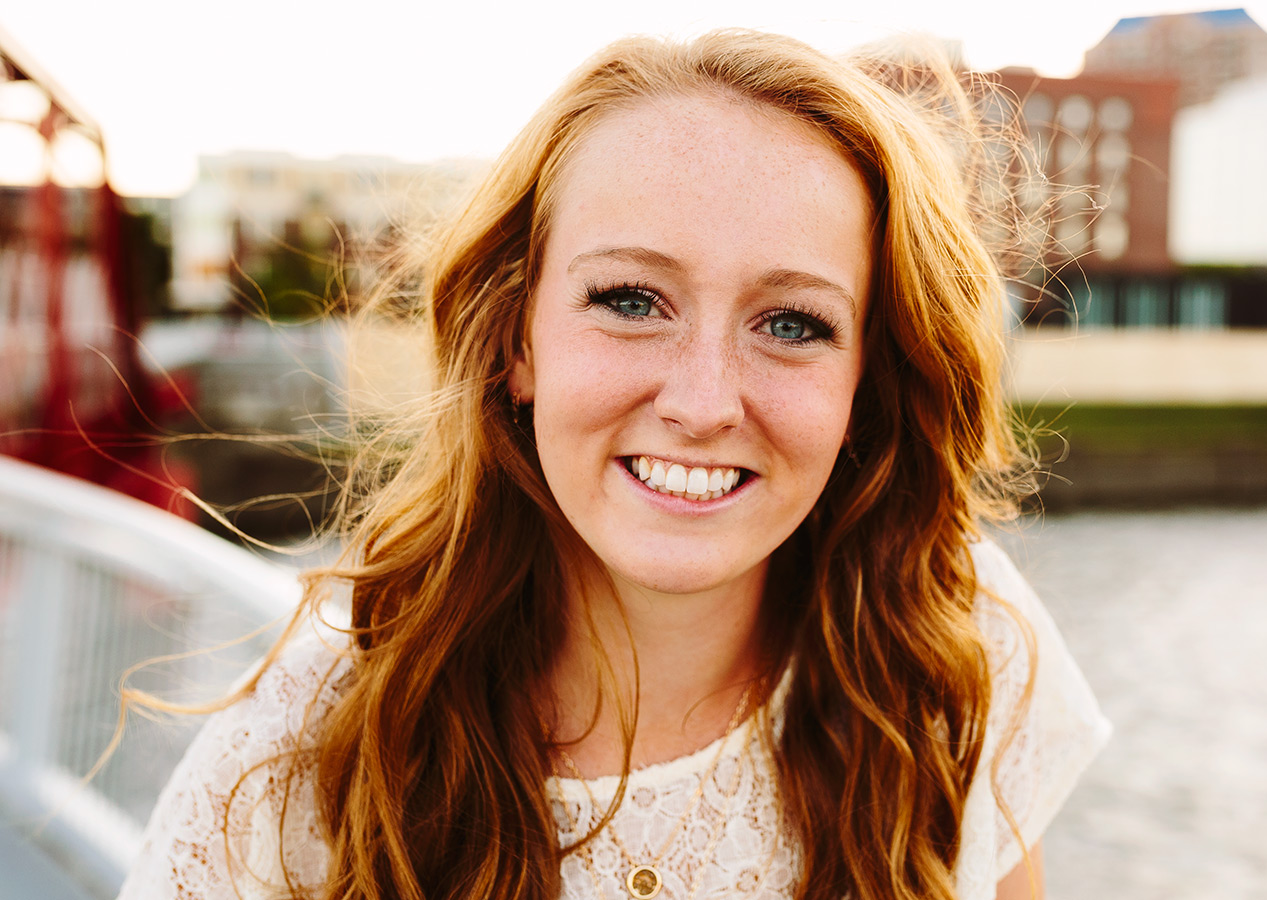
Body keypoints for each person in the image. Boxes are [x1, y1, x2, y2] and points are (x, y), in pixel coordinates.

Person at [117, 29, 1109, 900]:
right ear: (516, 342)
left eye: (794, 323)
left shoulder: (955, 651)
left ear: (867, 383)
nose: (703, 402)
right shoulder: (310, 753)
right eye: (631, 300)